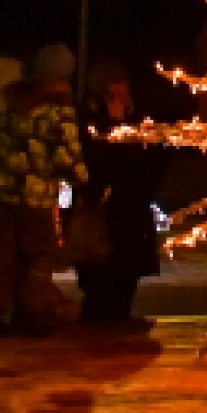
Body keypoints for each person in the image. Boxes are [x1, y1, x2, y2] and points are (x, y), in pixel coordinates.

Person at [0, 43, 90, 335]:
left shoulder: (15, 103)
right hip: (35, 196)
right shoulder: (58, 107)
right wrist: (82, 179)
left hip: (2, 192)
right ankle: (31, 313)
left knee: (0, 253)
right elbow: (66, 153)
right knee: (39, 255)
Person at [75, 61, 170, 325]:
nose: (122, 90)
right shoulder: (90, 120)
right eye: (115, 85)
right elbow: (95, 160)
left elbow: (149, 160)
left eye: (123, 83)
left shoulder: (138, 118)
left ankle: (119, 319)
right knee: (99, 274)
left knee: (127, 272)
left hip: (132, 207)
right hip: (102, 211)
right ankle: (97, 323)